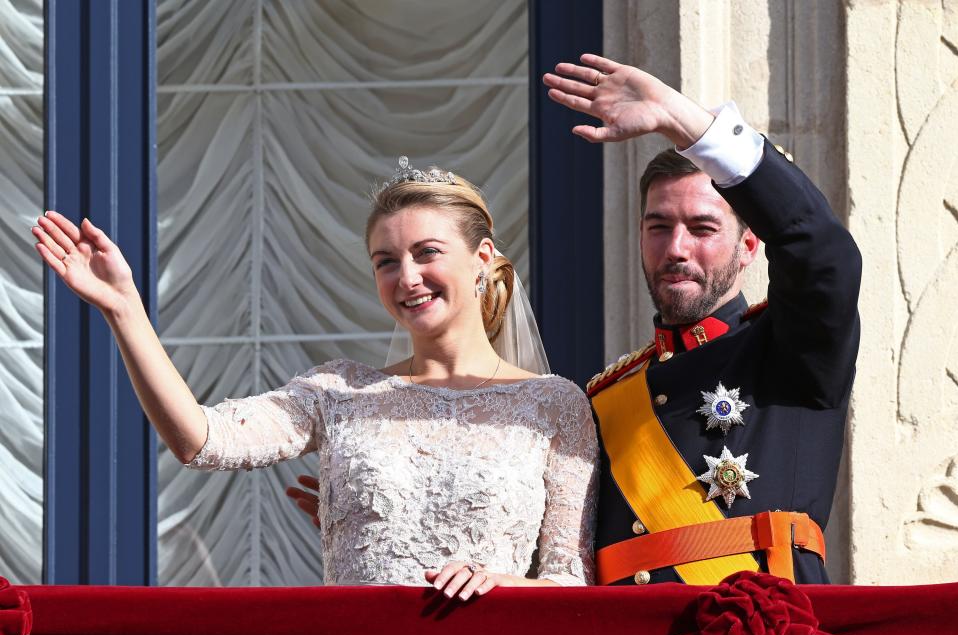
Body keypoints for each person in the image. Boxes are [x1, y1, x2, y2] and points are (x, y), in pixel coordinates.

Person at [31, 159, 598, 598]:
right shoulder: (339, 393)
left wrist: (502, 585)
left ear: (482, 258)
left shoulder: (554, 404)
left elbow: (571, 580)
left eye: (427, 252)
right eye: (385, 261)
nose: (407, 277)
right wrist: (124, 307)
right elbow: (201, 440)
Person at [540, 55, 861, 585]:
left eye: (703, 227)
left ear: (749, 246)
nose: (676, 248)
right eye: (658, 226)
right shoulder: (603, 398)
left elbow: (824, 254)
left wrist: (682, 120)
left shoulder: (792, 350)